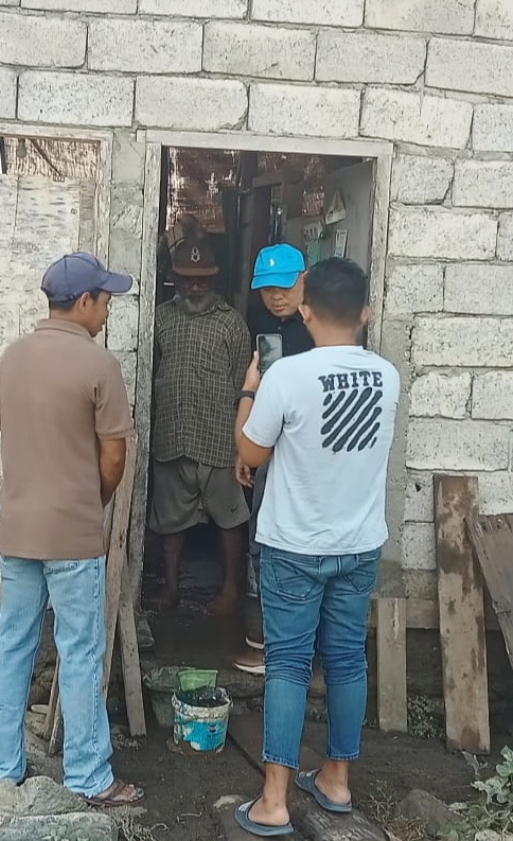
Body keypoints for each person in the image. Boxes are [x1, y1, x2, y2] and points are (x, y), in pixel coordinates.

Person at [233, 258, 400, 837]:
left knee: (288, 664)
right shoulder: (387, 377)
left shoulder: (287, 375)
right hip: (359, 544)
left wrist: (250, 387)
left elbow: (250, 453)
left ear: (305, 312)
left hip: (294, 546)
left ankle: (274, 802)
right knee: (348, 660)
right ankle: (336, 780)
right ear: (365, 313)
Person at [0, 252, 144, 808]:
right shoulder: (99, 365)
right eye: (104, 300)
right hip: (72, 534)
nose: (107, 310)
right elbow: (114, 457)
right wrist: (90, 501)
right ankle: (88, 776)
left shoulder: (11, 358)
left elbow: (11, 433)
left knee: (14, 644)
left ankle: (3, 768)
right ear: (83, 302)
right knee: (79, 649)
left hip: (17, 529)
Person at [149, 221, 251, 616]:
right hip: (172, 435)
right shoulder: (160, 319)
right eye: (187, 279)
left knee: (229, 518)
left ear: (214, 279)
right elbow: (151, 372)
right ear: (174, 278)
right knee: (169, 521)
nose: (194, 287)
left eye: (202, 280)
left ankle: (230, 589)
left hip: (219, 439)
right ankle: (171, 588)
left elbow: (244, 384)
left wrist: (243, 440)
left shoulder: (232, 323)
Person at [234, 244, 314, 676]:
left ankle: (286, 647)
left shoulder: (319, 327)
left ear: (305, 280)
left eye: (284, 287)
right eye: (267, 289)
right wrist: (248, 449)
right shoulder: (262, 323)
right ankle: (266, 634)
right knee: (262, 538)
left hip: (307, 451)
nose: (276, 297)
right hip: (268, 444)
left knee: (295, 543)